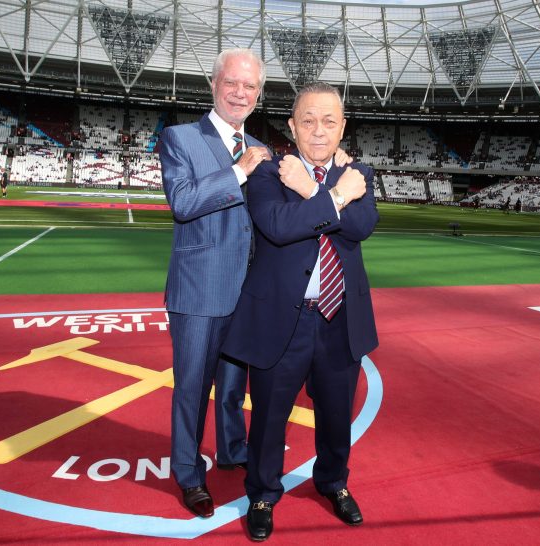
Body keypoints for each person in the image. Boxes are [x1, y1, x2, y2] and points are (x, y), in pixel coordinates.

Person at [222, 82, 379, 542]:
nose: (318, 130)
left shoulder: (359, 173)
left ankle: (333, 482)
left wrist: (310, 188)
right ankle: (263, 493)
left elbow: (361, 226)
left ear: (343, 127)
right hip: (281, 319)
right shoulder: (269, 173)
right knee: (270, 415)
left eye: (329, 120)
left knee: (336, 416)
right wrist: (330, 195)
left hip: (339, 319)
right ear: (291, 126)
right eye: (307, 120)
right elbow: (277, 226)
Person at [159, 48, 272, 519]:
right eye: (232, 82)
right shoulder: (180, 138)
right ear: (213, 83)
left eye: (250, 87)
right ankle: (188, 473)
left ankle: (232, 450)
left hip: (246, 290)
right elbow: (182, 202)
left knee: (231, 386)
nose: (240, 92)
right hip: (200, 290)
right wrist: (239, 170)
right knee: (191, 386)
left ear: (259, 94)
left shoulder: (262, 148)